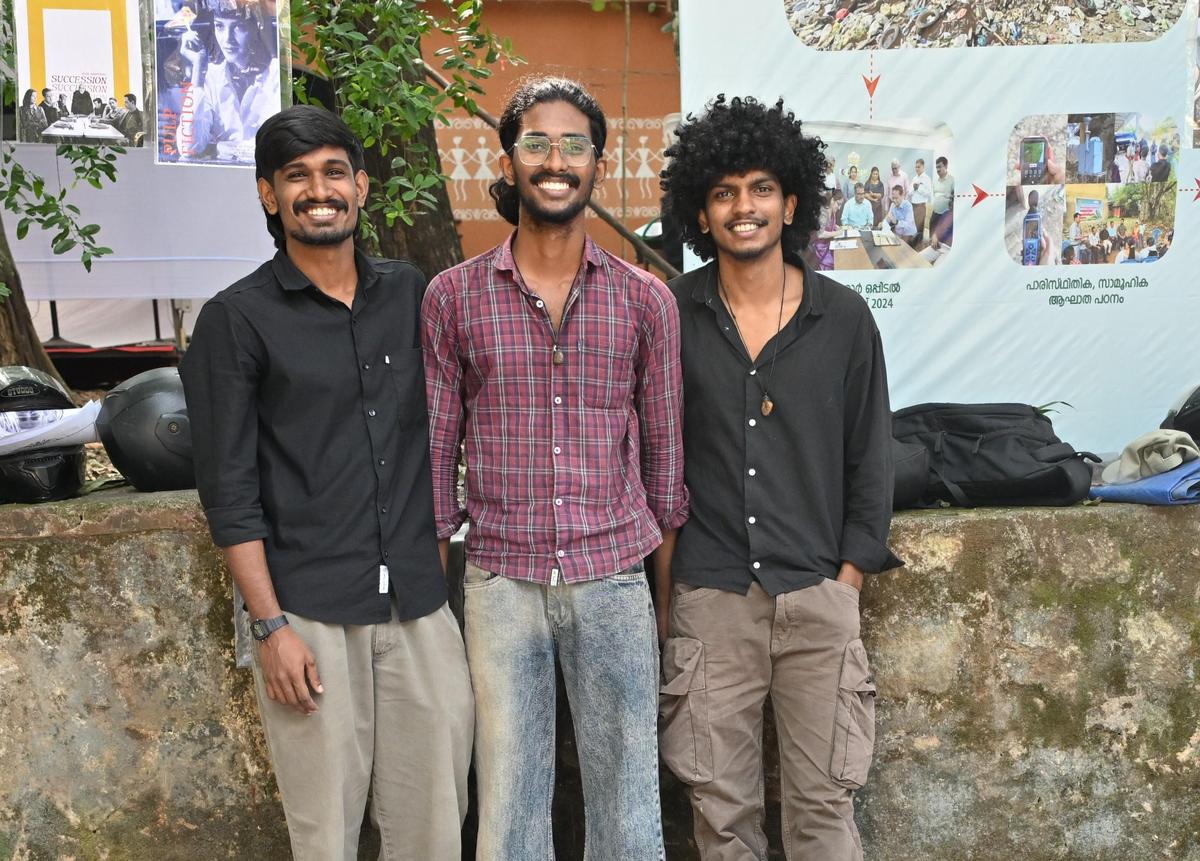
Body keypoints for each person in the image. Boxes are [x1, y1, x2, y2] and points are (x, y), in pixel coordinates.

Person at [180, 105, 473, 861]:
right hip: (308, 617)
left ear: (362, 186)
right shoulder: (235, 321)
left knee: (437, 830)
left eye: (334, 172)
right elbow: (229, 490)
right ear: (268, 195)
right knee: (325, 836)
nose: (320, 190)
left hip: (418, 607)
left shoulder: (414, 295)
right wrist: (271, 627)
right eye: (297, 176)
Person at [422, 76, 686, 861]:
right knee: (508, 808)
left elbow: (666, 474)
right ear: (507, 162)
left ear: (599, 165)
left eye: (575, 144)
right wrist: (445, 609)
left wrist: (660, 606)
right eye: (536, 142)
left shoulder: (647, 301)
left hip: (613, 578)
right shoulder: (453, 298)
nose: (555, 160)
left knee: (630, 804)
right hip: (500, 582)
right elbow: (439, 467)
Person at [658, 94, 901, 861]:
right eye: (724, 192)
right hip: (712, 600)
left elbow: (871, 457)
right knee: (722, 817)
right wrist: (672, 599)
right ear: (702, 211)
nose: (743, 207)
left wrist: (847, 580)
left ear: (791, 201)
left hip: (818, 596)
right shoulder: (669, 315)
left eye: (760, 188)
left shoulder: (846, 318)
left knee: (824, 812)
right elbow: (654, 458)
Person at [177, 0, 281, 161]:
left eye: (238, 27)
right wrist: (198, 70)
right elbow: (188, 147)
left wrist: (223, 148)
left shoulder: (275, 75)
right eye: (219, 26)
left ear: (256, 27)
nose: (227, 39)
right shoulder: (211, 75)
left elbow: (279, 148)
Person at [929, 155, 954, 245]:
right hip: (935, 213)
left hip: (945, 216)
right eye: (936, 167)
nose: (938, 169)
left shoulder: (952, 180)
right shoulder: (935, 182)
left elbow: (954, 199)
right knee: (931, 237)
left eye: (940, 166)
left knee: (941, 241)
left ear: (946, 166)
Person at [908, 157, 931, 245]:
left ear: (923, 167)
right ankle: (911, 247)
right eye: (916, 167)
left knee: (919, 229)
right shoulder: (914, 178)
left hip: (921, 206)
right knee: (912, 228)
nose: (917, 169)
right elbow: (909, 193)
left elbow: (928, 194)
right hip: (913, 206)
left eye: (919, 167)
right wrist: (914, 189)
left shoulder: (927, 178)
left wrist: (919, 188)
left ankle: (918, 250)